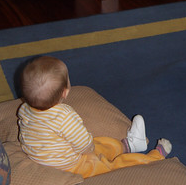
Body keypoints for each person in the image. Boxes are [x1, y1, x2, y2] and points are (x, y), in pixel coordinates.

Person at [17, 56, 172, 178]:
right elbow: (84, 144)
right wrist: (90, 150)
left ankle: (129, 145)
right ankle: (155, 157)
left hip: (45, 159)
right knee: (112, 165)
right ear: (65, 92)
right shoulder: (63, 116)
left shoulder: (24, 108)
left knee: (100, 143)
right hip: (71, 166)